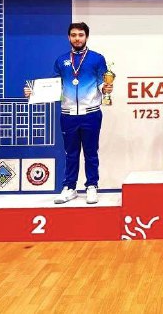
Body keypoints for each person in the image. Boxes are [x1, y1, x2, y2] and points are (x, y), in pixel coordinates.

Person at [24, 22, 112, 205]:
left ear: (86, 37)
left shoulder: (97, 59)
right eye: (73, 35)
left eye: (81, 35)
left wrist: (106, 88)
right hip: (68, 114)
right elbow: (54, 85)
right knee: (70, 153)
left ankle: (92, 186)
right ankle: (69, 187)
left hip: (91, 113)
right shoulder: (61, 60)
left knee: (91, 152)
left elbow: (102, 82)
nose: (77, 38)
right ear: (68, 37)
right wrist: (33, 92)